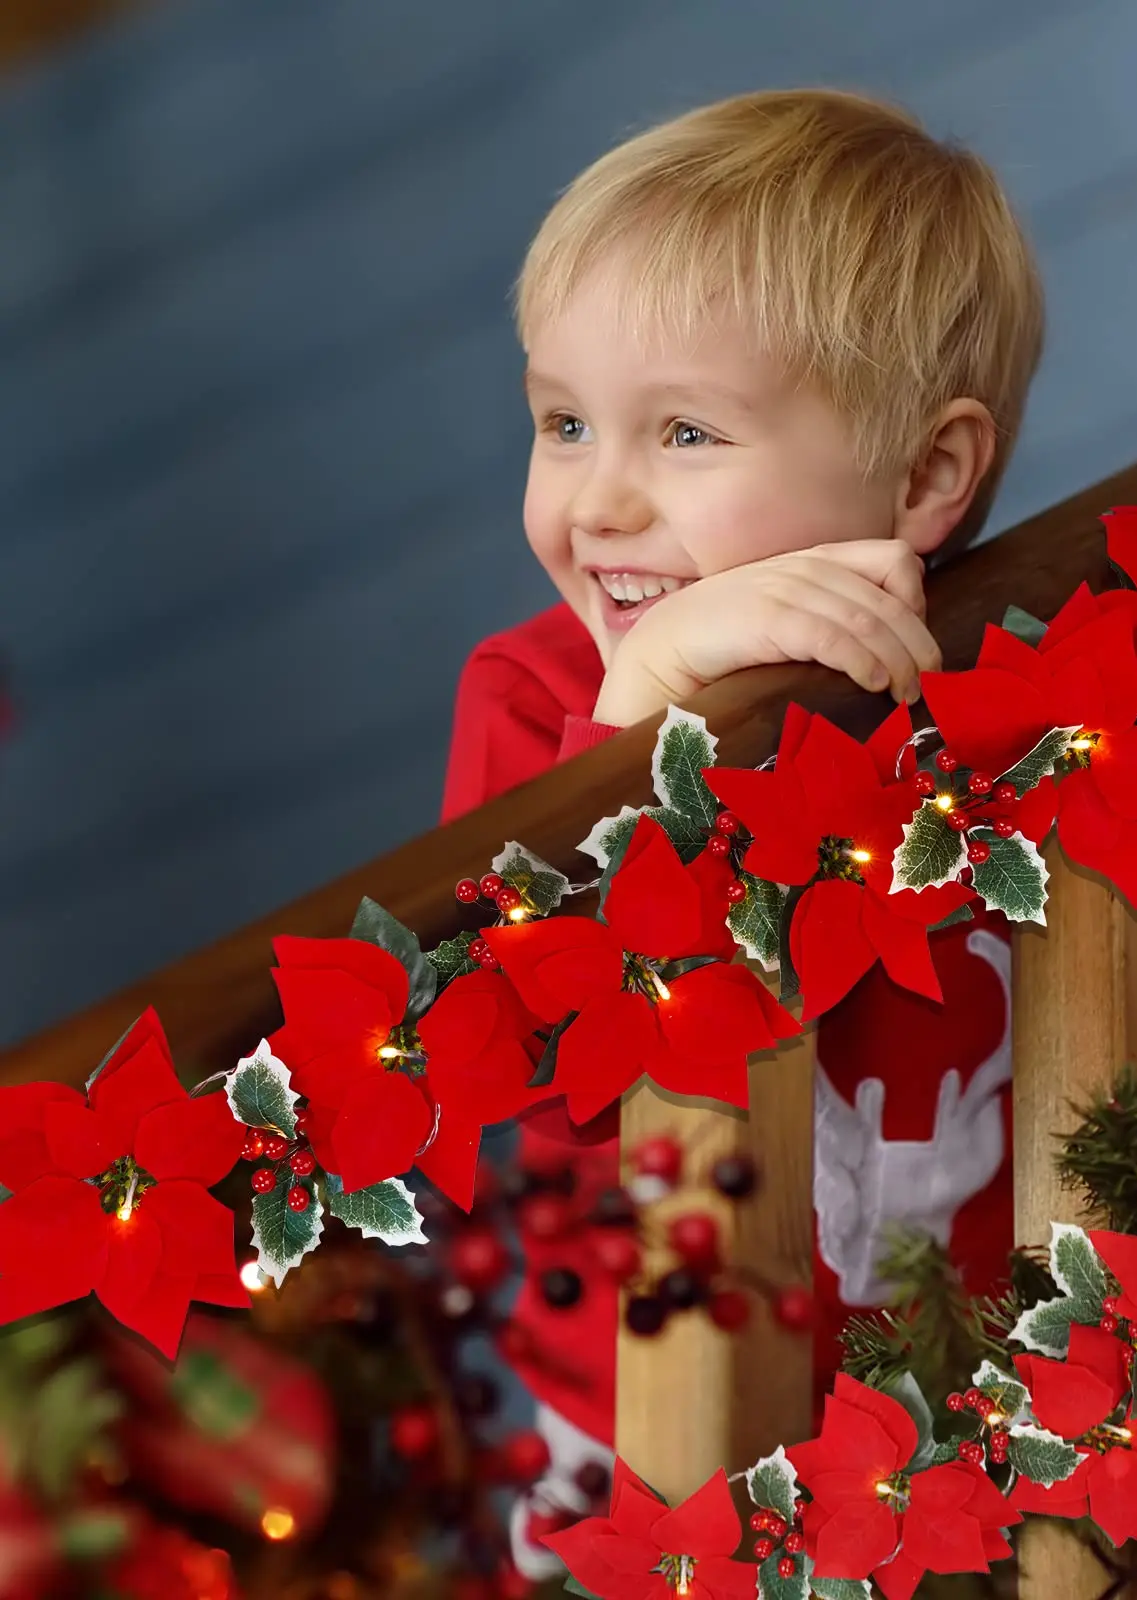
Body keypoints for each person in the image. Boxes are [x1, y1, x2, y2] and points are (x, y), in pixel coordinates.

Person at [438, 87, 1044, 1565]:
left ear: (922, 479)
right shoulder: (533, 699)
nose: (599, 500)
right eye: (563, 422)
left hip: (970, 1444)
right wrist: (642, 719)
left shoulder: (1013, 693)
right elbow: (516, 1075)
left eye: (687, 433)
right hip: (639, 1448)